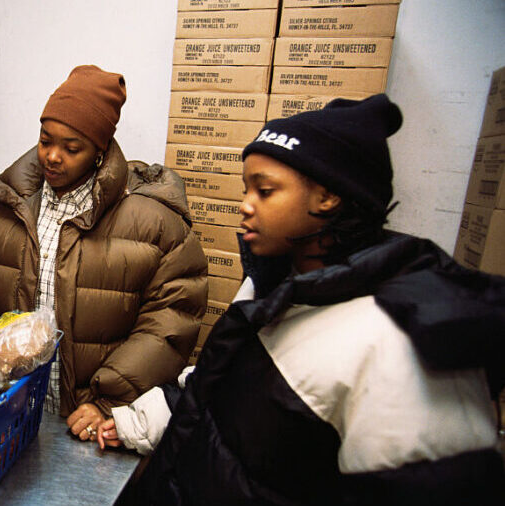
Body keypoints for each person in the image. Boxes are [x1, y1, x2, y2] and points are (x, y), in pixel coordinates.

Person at [97, 94, 505, 504]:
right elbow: (219, 385)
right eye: (246, 188)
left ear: (327, 197)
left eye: (265, 190)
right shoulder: (274, 282)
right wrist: (133, 422)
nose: (245, 206)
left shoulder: (396, 341)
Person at [0, 65, 209, 442]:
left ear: (99, 151)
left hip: (86, 422)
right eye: (46, 141)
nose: (53, 156)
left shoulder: (153, 222)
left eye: (71, 148)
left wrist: (107, 399)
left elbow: (169, 321)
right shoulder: (1, 207)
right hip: (3, 406)